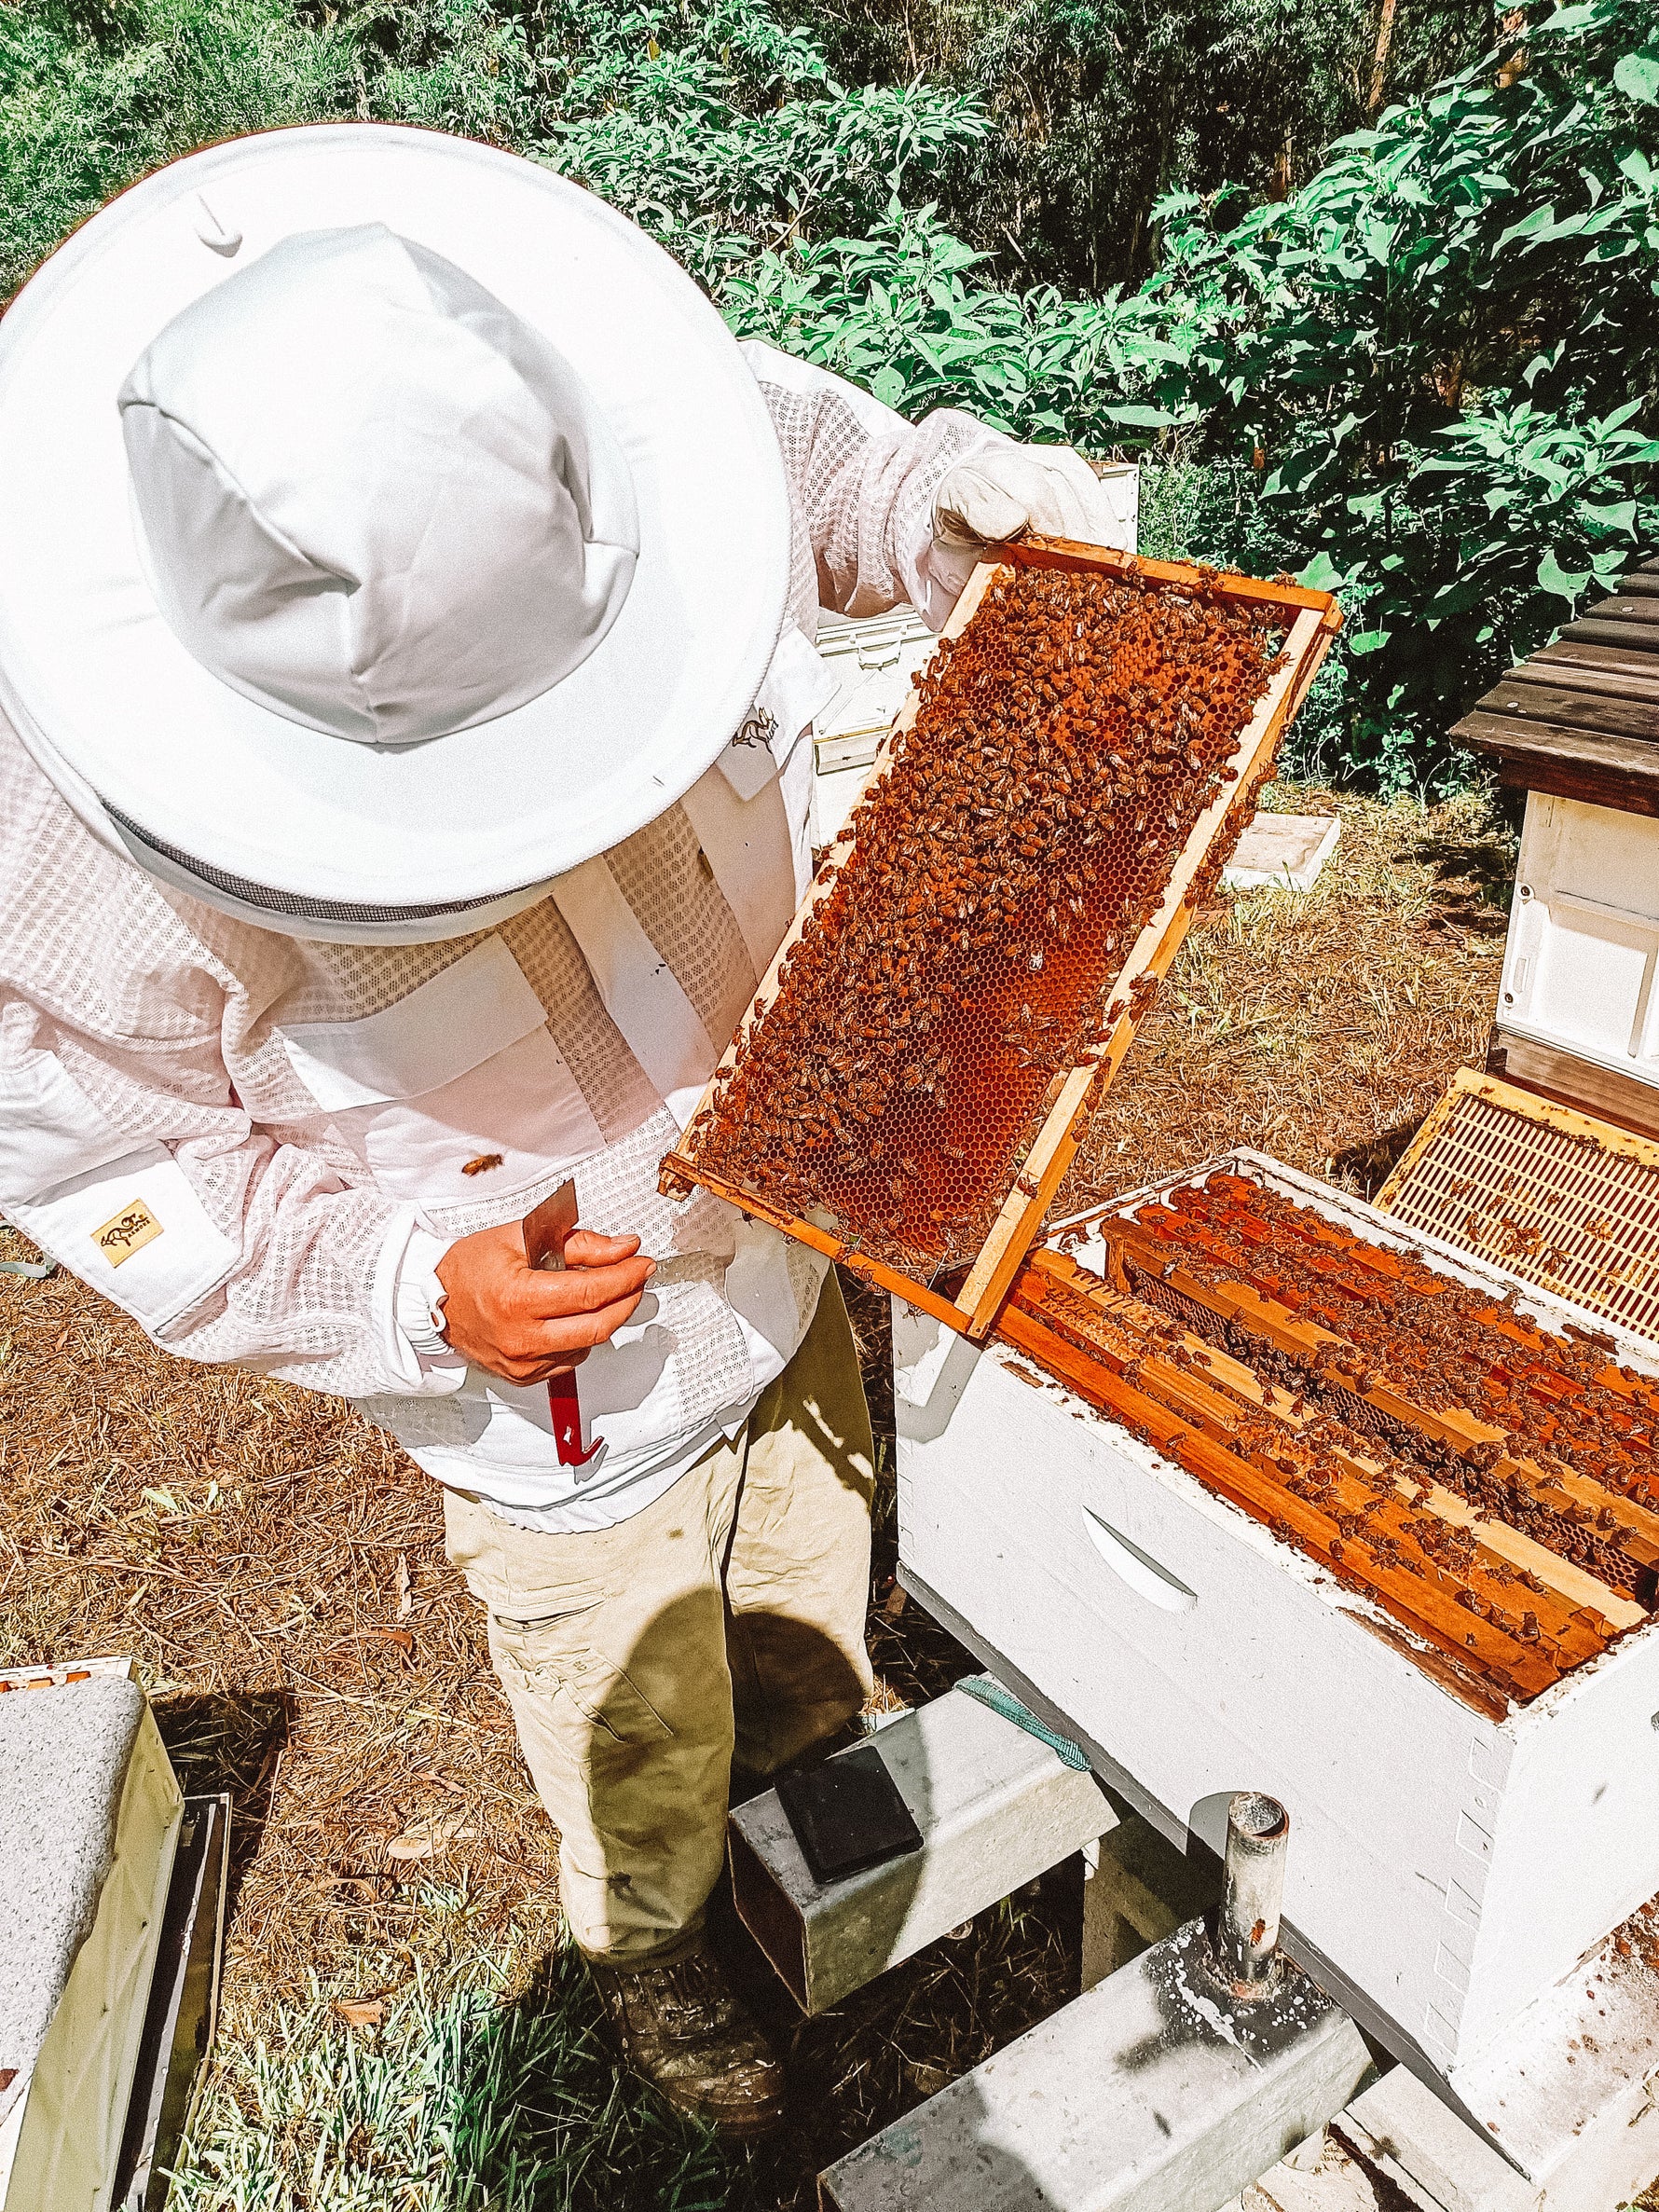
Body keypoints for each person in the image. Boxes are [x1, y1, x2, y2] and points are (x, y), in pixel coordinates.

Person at [0, 126, 1128, 2136]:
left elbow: (812, 461)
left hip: (791, 1229)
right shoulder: (64, 839)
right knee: (634, 1721)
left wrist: (939, 506)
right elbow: (120, 1169)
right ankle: (653, 1943)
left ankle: (817, 1802)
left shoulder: (588, 409)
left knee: (810, 1580)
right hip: (556, 1398)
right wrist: (405, 1286)